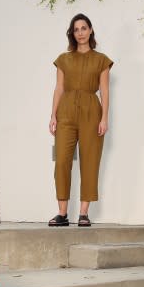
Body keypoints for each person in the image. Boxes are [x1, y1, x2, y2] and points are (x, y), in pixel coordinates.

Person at [48, 13, 113, 227]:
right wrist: (53, 115)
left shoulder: (101, 60)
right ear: (72, 33)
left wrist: (104, 118)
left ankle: (84, 213)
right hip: (65, 111)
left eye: (84, 28)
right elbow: (58, 88)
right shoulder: (63, 59)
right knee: (62, 161)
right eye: (76, 29)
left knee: (90, 160)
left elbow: (104, 90)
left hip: (91, 111)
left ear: (91, 30)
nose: (80, 33)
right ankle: (62, 213)